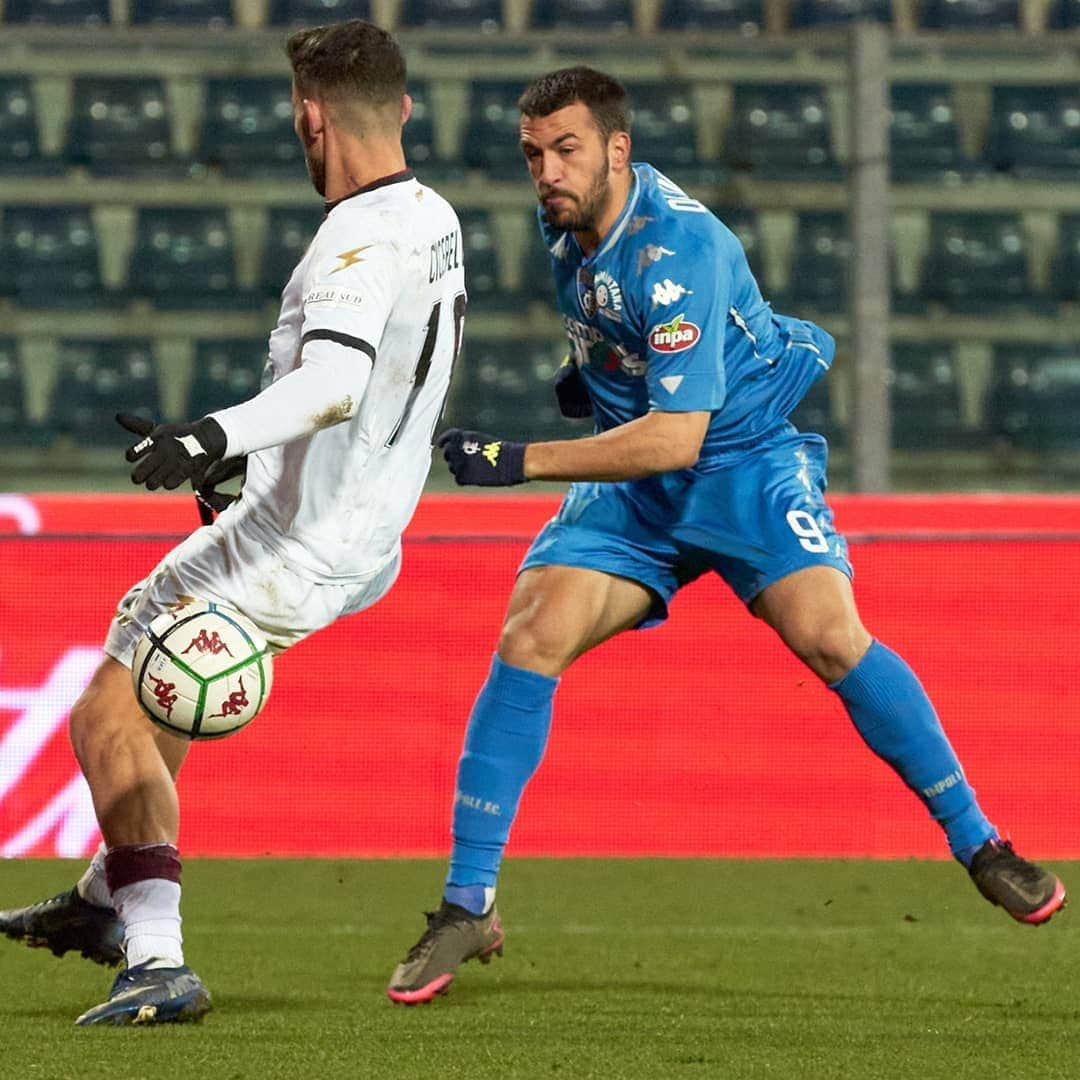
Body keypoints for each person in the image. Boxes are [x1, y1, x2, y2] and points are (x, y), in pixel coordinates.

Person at [385, 66, 1066, 1005]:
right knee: (530, 634)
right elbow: (626, 351)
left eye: (566, 149)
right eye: (533, 153)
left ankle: (981, 844)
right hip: (641, 485)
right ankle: (467, 905)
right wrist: (589, 375)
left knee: (831, 637)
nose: (545, 170)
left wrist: (519, 458)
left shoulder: (679, 249)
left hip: (739, 462)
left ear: (619, 150)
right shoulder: (570, 224)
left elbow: (680, 434)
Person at [0, 20, 467, 1026]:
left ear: (308, 115)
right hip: (360, 530)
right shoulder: (432, 217)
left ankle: (155, 956)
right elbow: (390, 389)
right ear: (405, 111)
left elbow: (338, 382)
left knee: (106, 718)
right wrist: (252, 462)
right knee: (154, 679)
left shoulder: (355, 237)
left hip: (298, 542)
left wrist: (211, 437)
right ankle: (100, 899)